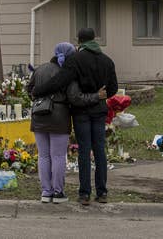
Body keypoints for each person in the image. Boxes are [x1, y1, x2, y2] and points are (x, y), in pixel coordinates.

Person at [33, 27, 118, 205]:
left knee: (84, 151)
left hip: (81, 113)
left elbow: (60, 81)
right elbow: (113, 88)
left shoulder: (75, 60)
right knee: (100, 150)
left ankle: (84, 193)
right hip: (99, 111)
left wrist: (39, 90)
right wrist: (101, 95)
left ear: (79, 42)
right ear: (94, 39)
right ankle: (102, 192)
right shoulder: (108, 61)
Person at [27, 42, 103, 204]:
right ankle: (58, 192)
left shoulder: (40, 69)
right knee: (58, 156)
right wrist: (96, 96)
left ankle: (46, 192)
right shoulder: (67, 73)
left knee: (43, 156)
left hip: (38, 115)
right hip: (59, 117)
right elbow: (75, 98)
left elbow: (29, 89)